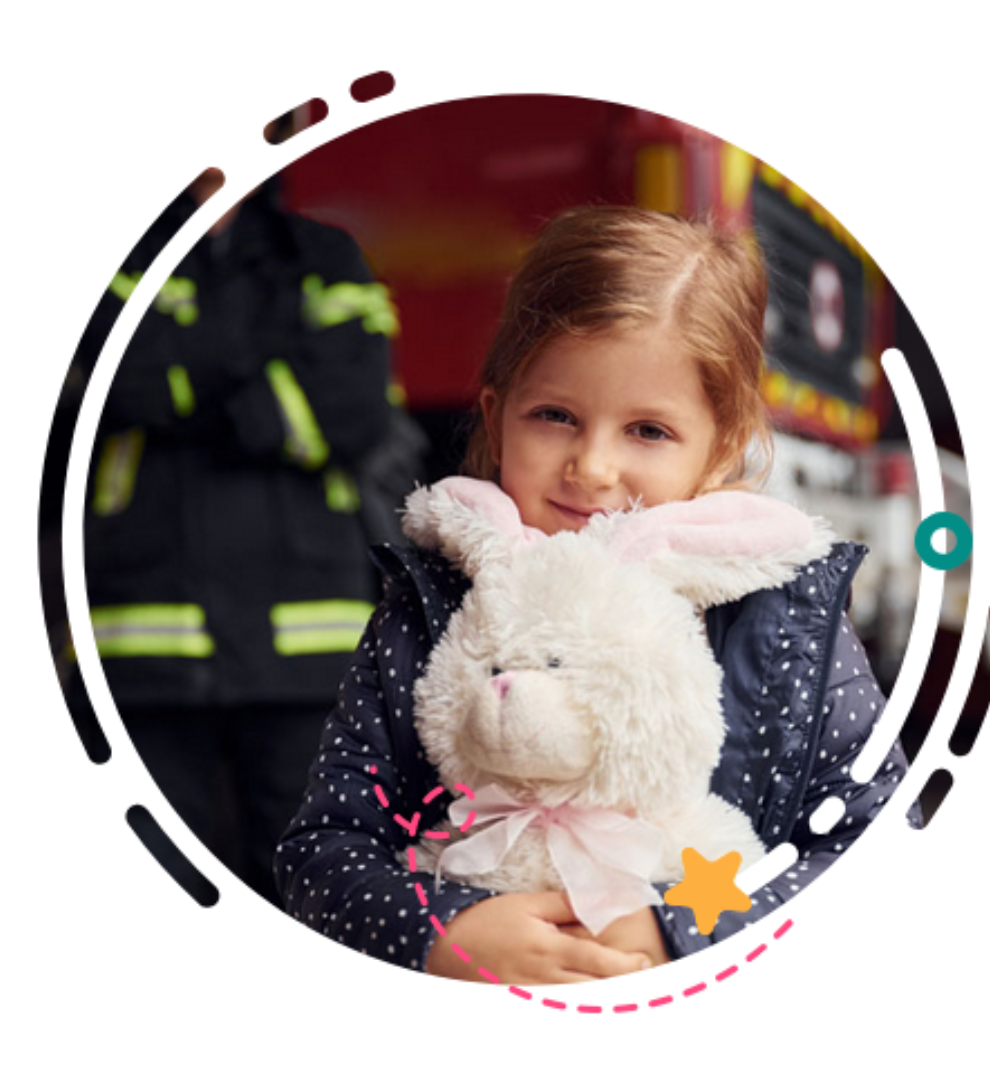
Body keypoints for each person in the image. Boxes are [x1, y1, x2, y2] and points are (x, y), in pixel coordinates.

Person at [274, 205, 914, 982]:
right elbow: (326, 847)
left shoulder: (787, 617)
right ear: (494, 415)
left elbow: (879, 849)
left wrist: (683, 933)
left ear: (721, 447)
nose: (593, 467)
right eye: (555, 417)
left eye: (647, 431)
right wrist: (444, 935)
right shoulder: (431, 604)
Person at [74, 168, 419, 904]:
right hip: (146, 642)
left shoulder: (323, 256)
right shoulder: (108, 259)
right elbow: (111, 382)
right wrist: (266, 373)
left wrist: (184, 384)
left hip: (302, 643)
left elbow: (355, 406)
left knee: (312, 879)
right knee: (152, 881)